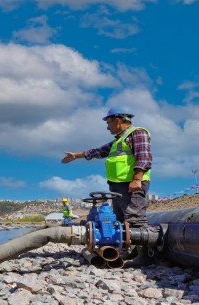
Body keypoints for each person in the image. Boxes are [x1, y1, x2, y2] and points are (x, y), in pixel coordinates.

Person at [61, 107, 154, 265]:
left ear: (117, 120)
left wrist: (137, 178)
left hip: (131, 184)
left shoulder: (137, 134)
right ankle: (130, 251)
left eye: (109, 122)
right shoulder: (119, 139)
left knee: (135, 218)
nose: (107, 126)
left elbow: (144, 157)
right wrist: (76, 155)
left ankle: (143, 256)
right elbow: (99, 151)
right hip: (118, 187)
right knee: (121, 220)